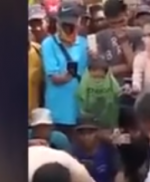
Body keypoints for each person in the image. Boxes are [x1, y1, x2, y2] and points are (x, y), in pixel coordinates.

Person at [41, 3, 88, 138]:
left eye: (72, 24)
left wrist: (95, 58)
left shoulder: (84, 43)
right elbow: (55, 78)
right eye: (65, 24)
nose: (68, 28)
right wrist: (69, 74)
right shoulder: (48, 44)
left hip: (81, 110)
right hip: (58, 111)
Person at [71, 115, 126, 182]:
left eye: (90, 133)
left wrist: (120, 173)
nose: (86, 137)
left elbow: (119, 166)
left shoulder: (108, 148)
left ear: (97, 133)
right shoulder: (74, 151)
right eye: (82, 134)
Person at [96, 0, 144, 85]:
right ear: (107, 20)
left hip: (134, 85)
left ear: (127, 14)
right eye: (113, 23)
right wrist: (126, 67)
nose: (118, 26)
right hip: (110, 86)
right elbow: (100, 72)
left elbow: (135, 66)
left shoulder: (138, 33)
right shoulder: (100, 37)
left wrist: (124, 41)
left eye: (121, 21)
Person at [76, 55, 121, 130]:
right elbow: (80, 95)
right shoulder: (85, 81)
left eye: (100, 77)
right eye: (94, 77)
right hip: (89, 115)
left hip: (107, 115)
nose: (97, 80)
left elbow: (117, 92)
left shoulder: (110, 80)